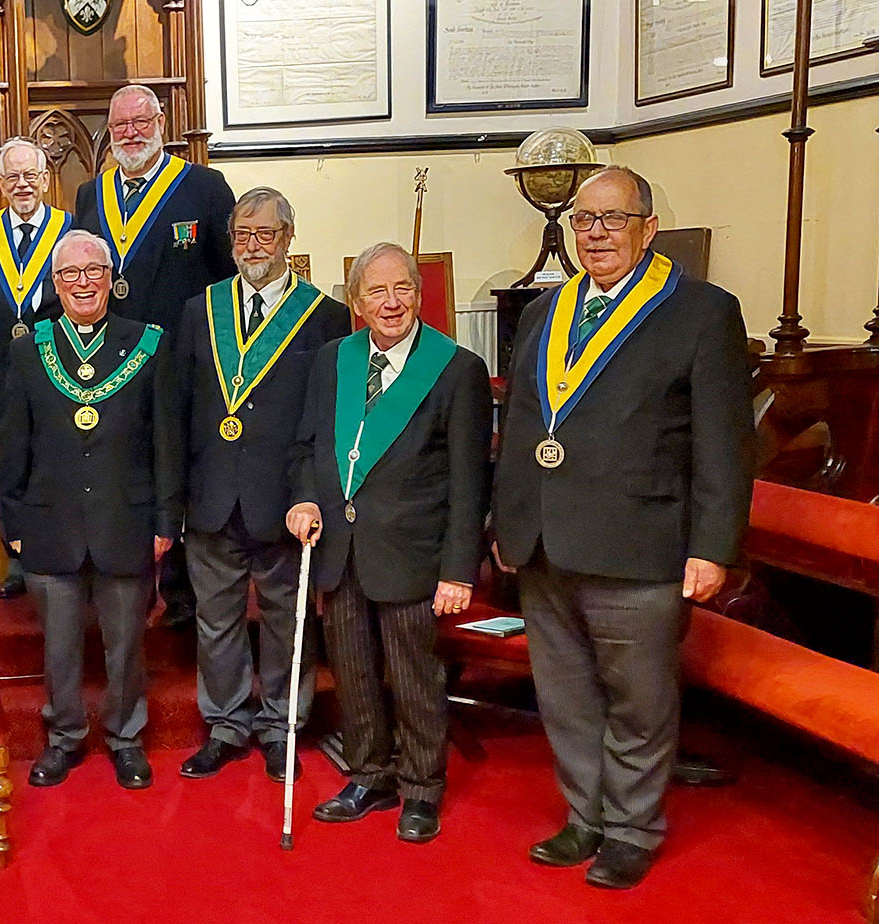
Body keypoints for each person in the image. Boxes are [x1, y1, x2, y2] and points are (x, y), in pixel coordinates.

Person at [494, 166, 754, 888]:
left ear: (646, 227)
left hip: (640, 543)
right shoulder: (548, 310)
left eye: (612, 218)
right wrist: (506, 521)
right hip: (544, 541)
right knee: (567, 694)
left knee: (638, 701)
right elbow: (519, 426)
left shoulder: (700, 311)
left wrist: (713, 546)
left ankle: (634, 829)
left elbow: (726, 442)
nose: (596, 232)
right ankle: (586, 817)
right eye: (584, 220)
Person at [285, 241, 491, 844]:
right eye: (376, 291)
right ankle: (370, 774)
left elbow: (471, 482)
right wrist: (302, 498)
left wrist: (458, 570)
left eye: (402, 288)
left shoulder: (456, 369)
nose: (391, 302)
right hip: (338, 547)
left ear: (418, 293)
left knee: (412, 676)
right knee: (351, 670)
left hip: (415, 554)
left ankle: (422, 787)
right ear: (355, 303)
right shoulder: (332, 360)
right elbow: (306, 447)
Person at [172, 188, 349, 783]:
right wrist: (177, 498)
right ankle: (224, 725)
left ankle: (281, 727)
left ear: (288, 239)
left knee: (285, 620)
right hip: (212, 497)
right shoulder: (200, 310)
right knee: (214, 620)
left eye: (264, 234)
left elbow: (325, 420)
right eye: (242, 234)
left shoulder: (324, 316)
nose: (252, 246)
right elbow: (181, 411)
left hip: (285, 500)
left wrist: (312, 495)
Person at [0, 230, 180, 791]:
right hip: (50, 520)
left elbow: (166, 442)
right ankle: (64, 738)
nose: (82, 284)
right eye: (69, 275)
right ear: (55, 284)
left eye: (93, 272)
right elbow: (15, 446)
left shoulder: (148, 343)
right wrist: (15, 522)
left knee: (125, 643)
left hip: (126, 520)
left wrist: (165, 522)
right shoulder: (31, 348)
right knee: (59, 644)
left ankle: (126, 738)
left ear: (110, 279)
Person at [74, 84, 236, 628]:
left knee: (180, 471)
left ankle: (185, 593)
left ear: (161, 121)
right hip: (113, 363)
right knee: (128, 471)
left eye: (141, 122)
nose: (131, 133)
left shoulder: (204, 187)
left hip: (182, 362)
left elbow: (228, 279)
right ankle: (130, 583)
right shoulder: (90, 195)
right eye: (120, 125)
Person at [0, 136, 69, 601]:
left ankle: (59, 552)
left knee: (57, 463)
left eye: (31, 176)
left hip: (58, 367)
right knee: (10, 466)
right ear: (0, 183)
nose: (22, 184)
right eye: (13, 177)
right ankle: (16, 563)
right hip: (2, 370)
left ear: (45, 180)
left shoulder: (72, 229)